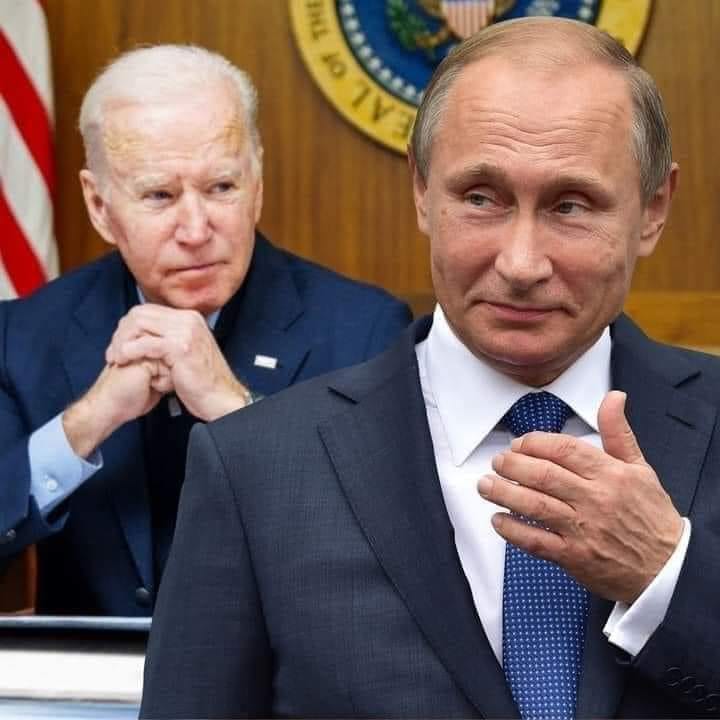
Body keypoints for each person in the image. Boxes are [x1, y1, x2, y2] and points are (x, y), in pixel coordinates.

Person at [140, 18, 720, 720]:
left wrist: (666, 575)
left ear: (653, 209)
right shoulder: (254, 470)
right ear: (421, 190)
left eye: (570, 206)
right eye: (480, 198)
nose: (521, 263)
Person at [0, 45, 412, 616]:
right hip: (97, 672)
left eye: (221, 187)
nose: (196, 230)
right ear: (99, 205)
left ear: (257, 183)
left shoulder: (365, 332)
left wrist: (234, 408)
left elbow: (390, 550)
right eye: (159, 196)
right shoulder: (25, 333)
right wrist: (88, 420)